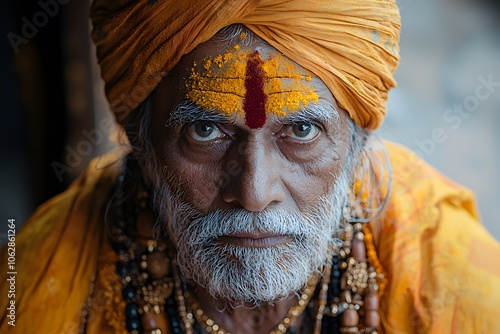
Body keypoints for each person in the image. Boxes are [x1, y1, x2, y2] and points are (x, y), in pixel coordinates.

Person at [1, 0, 500, 333]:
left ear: (357, 142)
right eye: (205, 132)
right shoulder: (35, 283)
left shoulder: (448, 278)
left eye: (301, 131)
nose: (255, 191)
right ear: (141, 141)